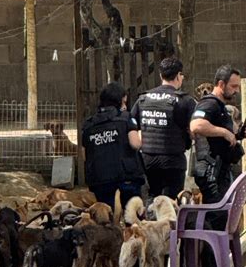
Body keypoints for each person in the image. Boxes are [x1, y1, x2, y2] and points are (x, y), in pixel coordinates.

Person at [190, 64, 246, 267]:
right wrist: (225, 132)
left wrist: (238, 135)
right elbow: (196, 126)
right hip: (211, 173)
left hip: (220, 171)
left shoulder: (220, 106)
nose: (236, 91)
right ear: (221, 84)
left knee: (222, 220)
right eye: (233, 86)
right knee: (216, 221)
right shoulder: (209, 103)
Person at [131, 57, 195, 199]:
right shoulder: (185, 100)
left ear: (161, 75)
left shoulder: (143, 99)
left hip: (148, 159)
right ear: (179, 76)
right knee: (171, 202)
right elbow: (194, 130)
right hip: (173, 160)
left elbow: (130, 125)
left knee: (153, 199)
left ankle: (151, 221)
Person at [82, 81, 145, 212]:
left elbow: (85, 154)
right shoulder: (126, 118)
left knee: (107, 218)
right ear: (122, 99)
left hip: (100, 181)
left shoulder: (89, 124)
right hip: (126, 179)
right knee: (132, 218)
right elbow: (135, 144)